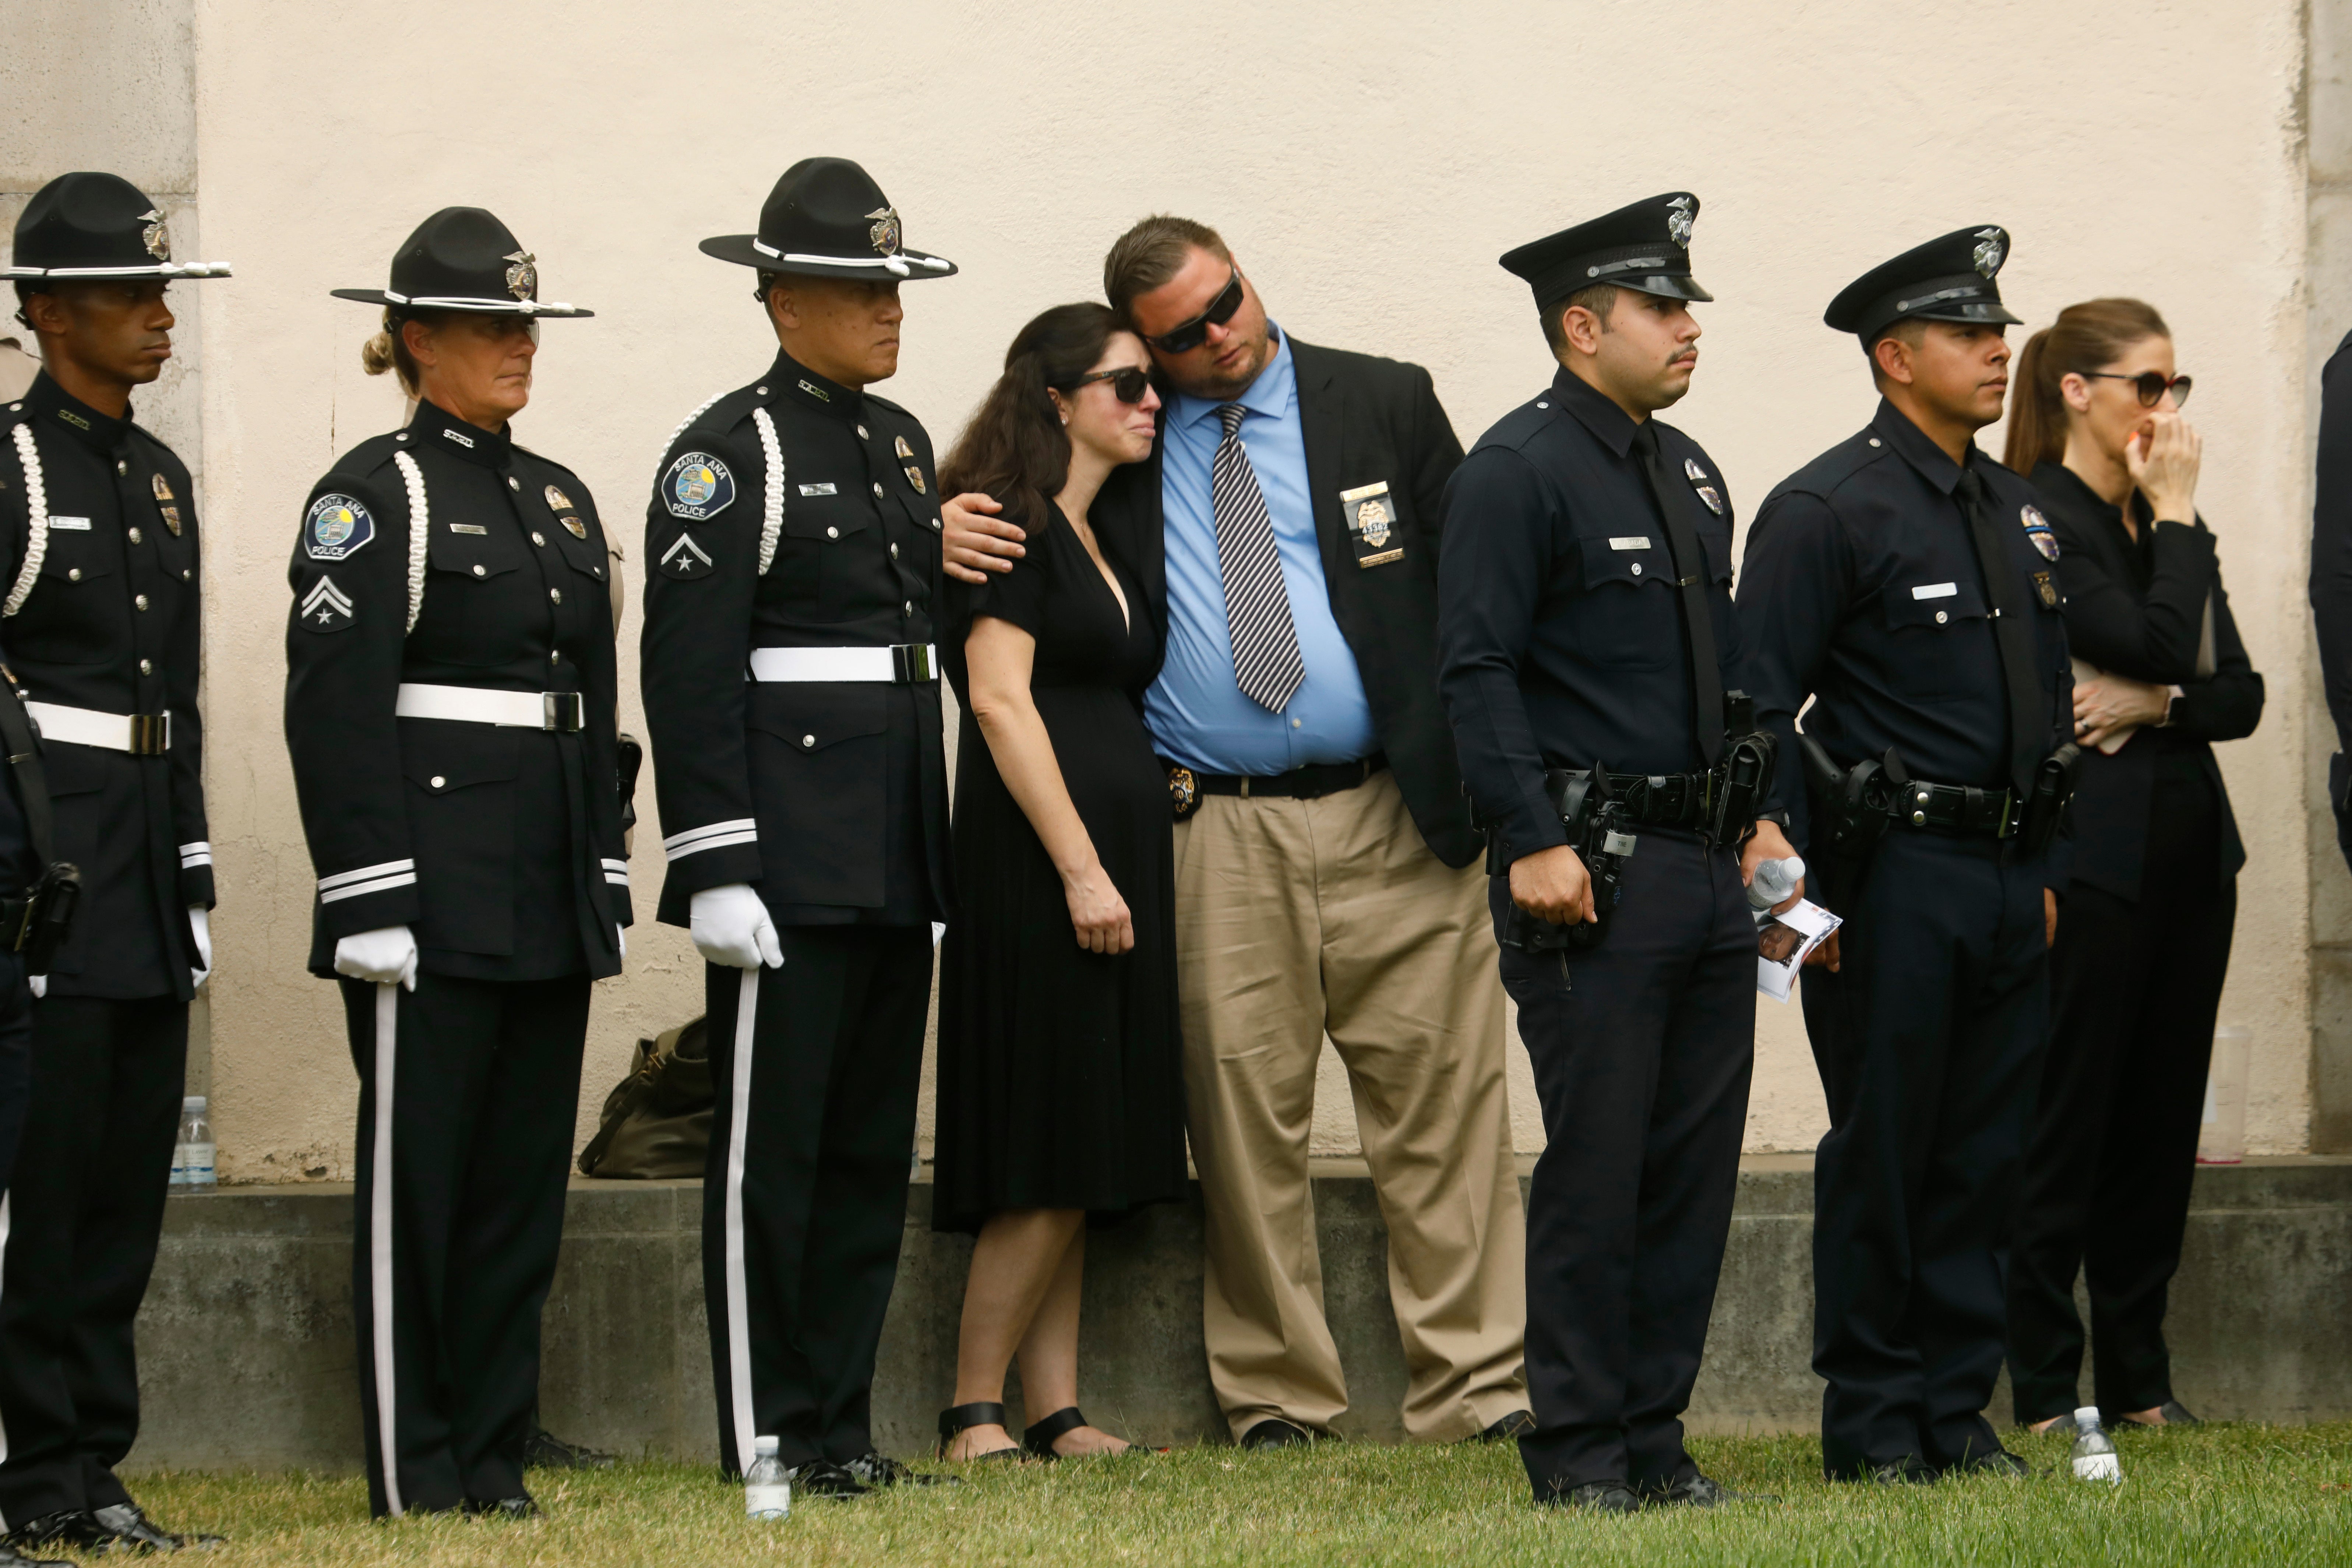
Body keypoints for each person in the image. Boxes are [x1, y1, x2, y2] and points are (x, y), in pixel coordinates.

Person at [949, 214, 1529, 1449]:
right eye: (1188, 333)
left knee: (1445, 1112)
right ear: (1144, 359)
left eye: (1233, 299)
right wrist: (938, 525)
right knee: (1240, 1120)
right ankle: (1279, 1398)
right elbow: (1021, 519)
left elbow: (1485, 586)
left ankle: (1478, 1389)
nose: (1227, 333)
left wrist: (1506, 787)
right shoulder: (1135, 433)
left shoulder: (1384, 399)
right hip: (1211, 826)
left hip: (1398, 812)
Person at [1438, 194, 1796, 1512]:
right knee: (1599, 1164)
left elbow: (1729, 682)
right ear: (1582, 326)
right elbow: (1473, 669)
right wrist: (1530, 837)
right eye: (1662, 306)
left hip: (1705, 870)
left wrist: (1762, 817)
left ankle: (1655, 1434)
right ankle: (1581, 1450)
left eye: (1687, 303)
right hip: (1591, 869)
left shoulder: (1688, 469)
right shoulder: (1515, 470)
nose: (1689, 325)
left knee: (1693, 1165)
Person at [282, 207, 627, 1519]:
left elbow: (590, 698)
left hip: (541, 878)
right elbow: (336, 704)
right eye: (493, 325)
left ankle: (493, 1450)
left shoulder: (553, 493)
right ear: (418, 338)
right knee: (420, 1185)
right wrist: (366, 891)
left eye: (528, 323)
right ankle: (413, 1461)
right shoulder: (375, 494)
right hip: (428, 890)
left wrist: (599, 866)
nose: (518, 345)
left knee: (517, 1189)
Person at [639, 157, 956, 1498]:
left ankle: (840, 1424)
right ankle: (767, 1426)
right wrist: (714, 858)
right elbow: (688, 668)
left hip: (888, 848)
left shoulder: (897, 441)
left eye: (894, 282)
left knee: (866, 1153)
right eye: (857, 286)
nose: (889, 308)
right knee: (774, 1157)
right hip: (785, 861)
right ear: (779, 301)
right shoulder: (731, 451)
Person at [1739, 226, 2076, 1483]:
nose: (2001, 352)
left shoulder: (2016, 511)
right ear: (1895, 358)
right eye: (1970, 335)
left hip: (2003, 878)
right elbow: (1755, 711)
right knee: (1885, 1147)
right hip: (1886, 882)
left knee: (1987, 1152)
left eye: (2001, 331)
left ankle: (1954, 1408)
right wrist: (1791, 901)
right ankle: (1876, 1420)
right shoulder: (1828, 509)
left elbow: (2045, 709)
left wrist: (2043, 871)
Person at [0, 171, 227, 1557]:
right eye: (127, 296)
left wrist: (193, 872)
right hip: (42, 873)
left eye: (163, 293)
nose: (157, 318)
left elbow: (178, 697)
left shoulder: (157, 474)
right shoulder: (13, 464)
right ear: (42, 314)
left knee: (124, 1188)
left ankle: (95, 1463)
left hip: (140, 866)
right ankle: (29, 1466)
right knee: (43, 1175)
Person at [2001, 300, 2260, 1434]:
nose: (2167, 411)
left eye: (2176, 387)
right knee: (2068, 1122)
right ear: (2078, 392)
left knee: (2159, 1124)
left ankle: (2142, 1379)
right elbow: (2162, 639)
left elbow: (2235, 693)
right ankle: (2051, 1387)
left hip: (2193, 865)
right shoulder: (2038, 520)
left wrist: (2154, 704)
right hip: (2090, 865)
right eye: (2147, 387)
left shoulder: (2163, 527)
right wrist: (2181, 519)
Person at [930, 304, 1182, 1463]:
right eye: (1125, 383)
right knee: (1042, 1132)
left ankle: (1056, 1405)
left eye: (1151, 383)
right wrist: (1081, 866)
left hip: (1108, 855)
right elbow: (998, 701)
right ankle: (972, 1406)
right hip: (1042, 862)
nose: (1150, 400)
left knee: (1082, 1132)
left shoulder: (1100, 527)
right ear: (1055, 398)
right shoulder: (1011, 527)